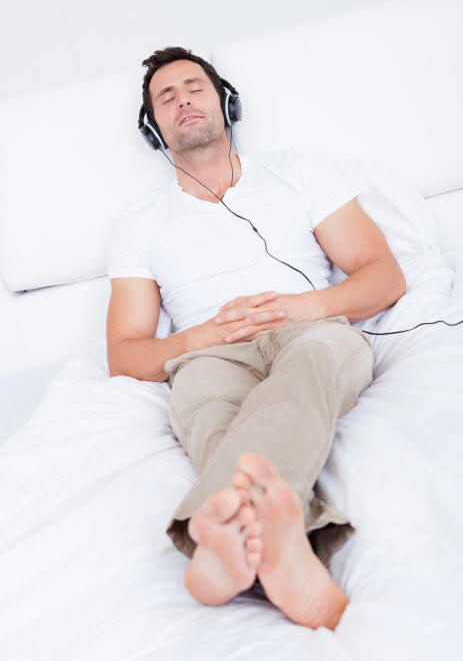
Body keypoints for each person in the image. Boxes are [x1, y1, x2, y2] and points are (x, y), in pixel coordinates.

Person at [106, 46, 406, 630]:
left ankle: (219, 553)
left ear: (226, 102)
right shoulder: (139, 225)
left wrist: (306, 305)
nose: (182, 101)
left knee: (307, 374)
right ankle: (288, 550)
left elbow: (384, 276)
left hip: (309, 331)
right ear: (153, 127)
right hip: (208, 355)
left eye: (194, 87)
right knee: (206, 408)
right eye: (165, 97)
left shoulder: (299, 172)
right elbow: (125, 353)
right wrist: (201, 336)